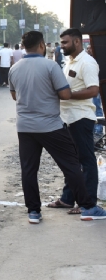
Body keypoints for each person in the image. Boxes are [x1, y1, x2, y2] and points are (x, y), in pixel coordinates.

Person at [8, 31, 106, 222]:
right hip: (50, 125)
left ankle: (34, 212)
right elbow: (65, 94)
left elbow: (14, 96)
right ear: (42, 45)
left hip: (25, 126)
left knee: (28, 170)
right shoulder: (51, 66)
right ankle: (88, 207)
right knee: (71, 165)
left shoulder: (15, 68)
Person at [49, 28, 100, 214]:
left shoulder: (87, 63)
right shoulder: (69, 61)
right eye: (61, 42)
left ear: (77, 42)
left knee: (86, 161)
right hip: (67, 118)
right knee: (71, 162)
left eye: (65, 42)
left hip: (81, 118)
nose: (61, 46)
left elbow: (94, 90)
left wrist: (68, 95)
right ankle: (67, 199)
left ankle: (88, 202)